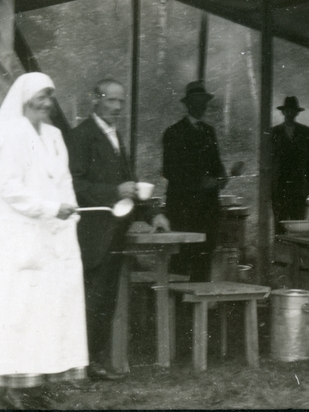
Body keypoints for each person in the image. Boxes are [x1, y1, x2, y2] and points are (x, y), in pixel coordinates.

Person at [0, 72, 87, 409]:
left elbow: (65, 179)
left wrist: (70, 211)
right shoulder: (11, 133)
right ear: (25, 98)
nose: (47, 103)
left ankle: (37, 384)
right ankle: (14, 386)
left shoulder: (55, 135)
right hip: (22, 234)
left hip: (54, 234)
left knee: (50, 311)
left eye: (51, 97)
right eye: (41, 96)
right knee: (20, 311)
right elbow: (10, 189)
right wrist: (51, 208)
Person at [66, 78, 169, 382]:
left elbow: (130, 184)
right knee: (91, 299)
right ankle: (80, 364)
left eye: (121, 101)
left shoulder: (114, 136)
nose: (118, 107)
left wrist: (153, 215)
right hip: (92, 232)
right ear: (94, 99)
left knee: (104, 300)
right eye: (111, 100)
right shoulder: (81, 135)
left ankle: (91, 362)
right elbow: (75, 185)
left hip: (113, 233)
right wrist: (115, 190)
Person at [162, 81, 228, 282]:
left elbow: (216, 164)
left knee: (204, 256)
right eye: (198, 103)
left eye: (204, 104)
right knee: (181, 256)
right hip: (183, 207)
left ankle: (199, 310)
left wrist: (222, 177)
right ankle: (178, 309)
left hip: (207, 208)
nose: (202, 108)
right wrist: (200, 182)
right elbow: (169, 171)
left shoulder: (209, 131)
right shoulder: (173, 132)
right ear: (188, 105)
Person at [270, 96, 309, 226]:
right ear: (283, 112)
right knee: (279, 222)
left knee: (297, 220)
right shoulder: (274, 132)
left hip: (299, 184)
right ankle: (279, 245)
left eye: (292, 110)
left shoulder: (305, 132)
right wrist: (268, 185)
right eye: (287, 110)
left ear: (297, 112)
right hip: (279, 185)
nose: (289, 113)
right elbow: (269, 160)